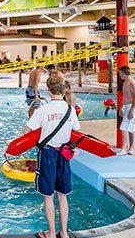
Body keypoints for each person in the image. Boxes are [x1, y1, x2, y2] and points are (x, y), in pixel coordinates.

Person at [22, 76, 80, 238]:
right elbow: (75, 134)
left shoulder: (42, 111)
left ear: (48, 90)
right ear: (63, 90)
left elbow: (26, 133)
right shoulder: (70, 110)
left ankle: (52, 234)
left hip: (47, 154)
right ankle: (64, 232)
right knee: (63, 196)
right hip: (64, 155)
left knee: (48, 196)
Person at [118, 66, 135, 156]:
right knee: (131, 129)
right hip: (126, 106)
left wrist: (131, 110)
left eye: (120, 73)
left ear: (123, 73)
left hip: (132, 107)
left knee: (124, 128)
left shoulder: (132, 83)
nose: (119, 75)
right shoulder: (125, 83)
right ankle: (131, 149)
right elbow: (124, 97)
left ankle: (124, 149)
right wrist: (121, 108)